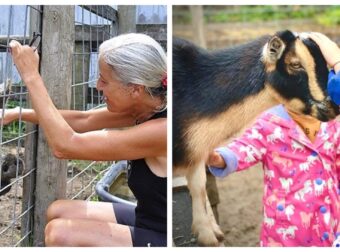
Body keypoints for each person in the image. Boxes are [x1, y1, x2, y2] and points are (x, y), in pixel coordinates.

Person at [5, 33, 167, 247]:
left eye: (104, 80)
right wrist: (16, 112)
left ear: (135, 89)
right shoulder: (148, 106)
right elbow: (84, 119)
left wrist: (31, 75)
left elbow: (65, 146)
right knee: (58, 211)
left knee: (59, 234)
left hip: (166, 235)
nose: (98, 85)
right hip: (151, 218)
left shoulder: (163, 130)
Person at [207, 32, 340, 247]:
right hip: (286, 232)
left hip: (330, 225)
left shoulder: (332, 121)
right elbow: (245, 147)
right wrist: (219, 158)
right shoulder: (269, 124)